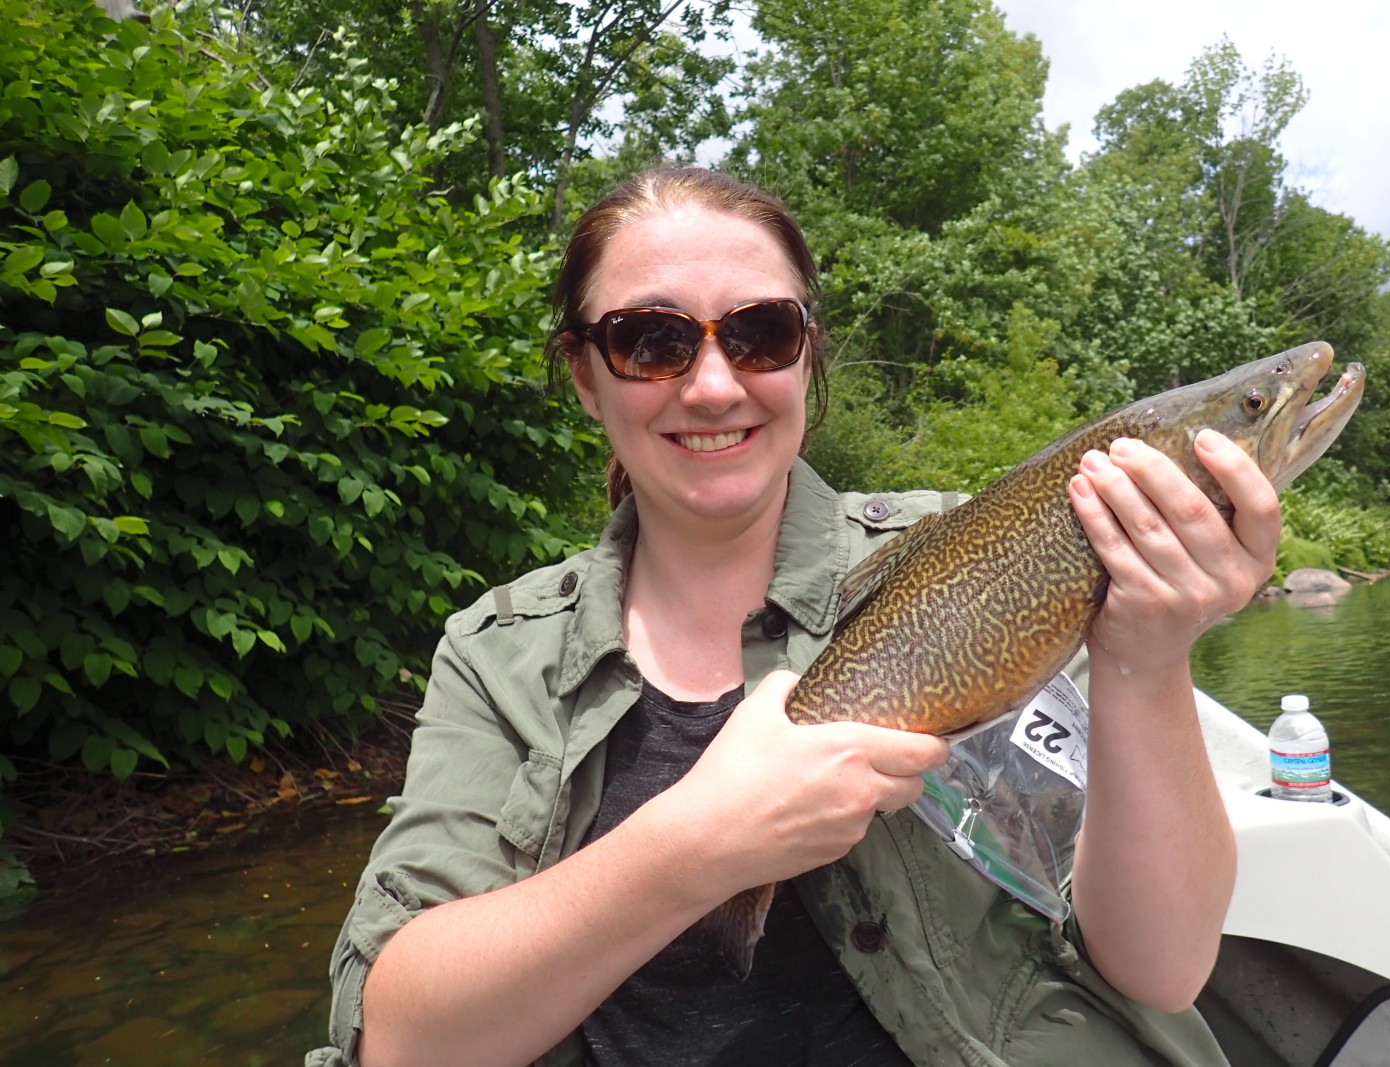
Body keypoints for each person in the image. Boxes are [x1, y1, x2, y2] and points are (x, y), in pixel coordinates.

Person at [307, 166, 1281, 1067]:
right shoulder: (497, 651)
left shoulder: (965, 552)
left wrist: (1145, 660)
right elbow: (401, 1037)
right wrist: (699, 843)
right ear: (585, 375)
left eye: (760, 331)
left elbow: (1160, 968)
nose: (714, 382)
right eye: (651, 340)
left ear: (806, 354)